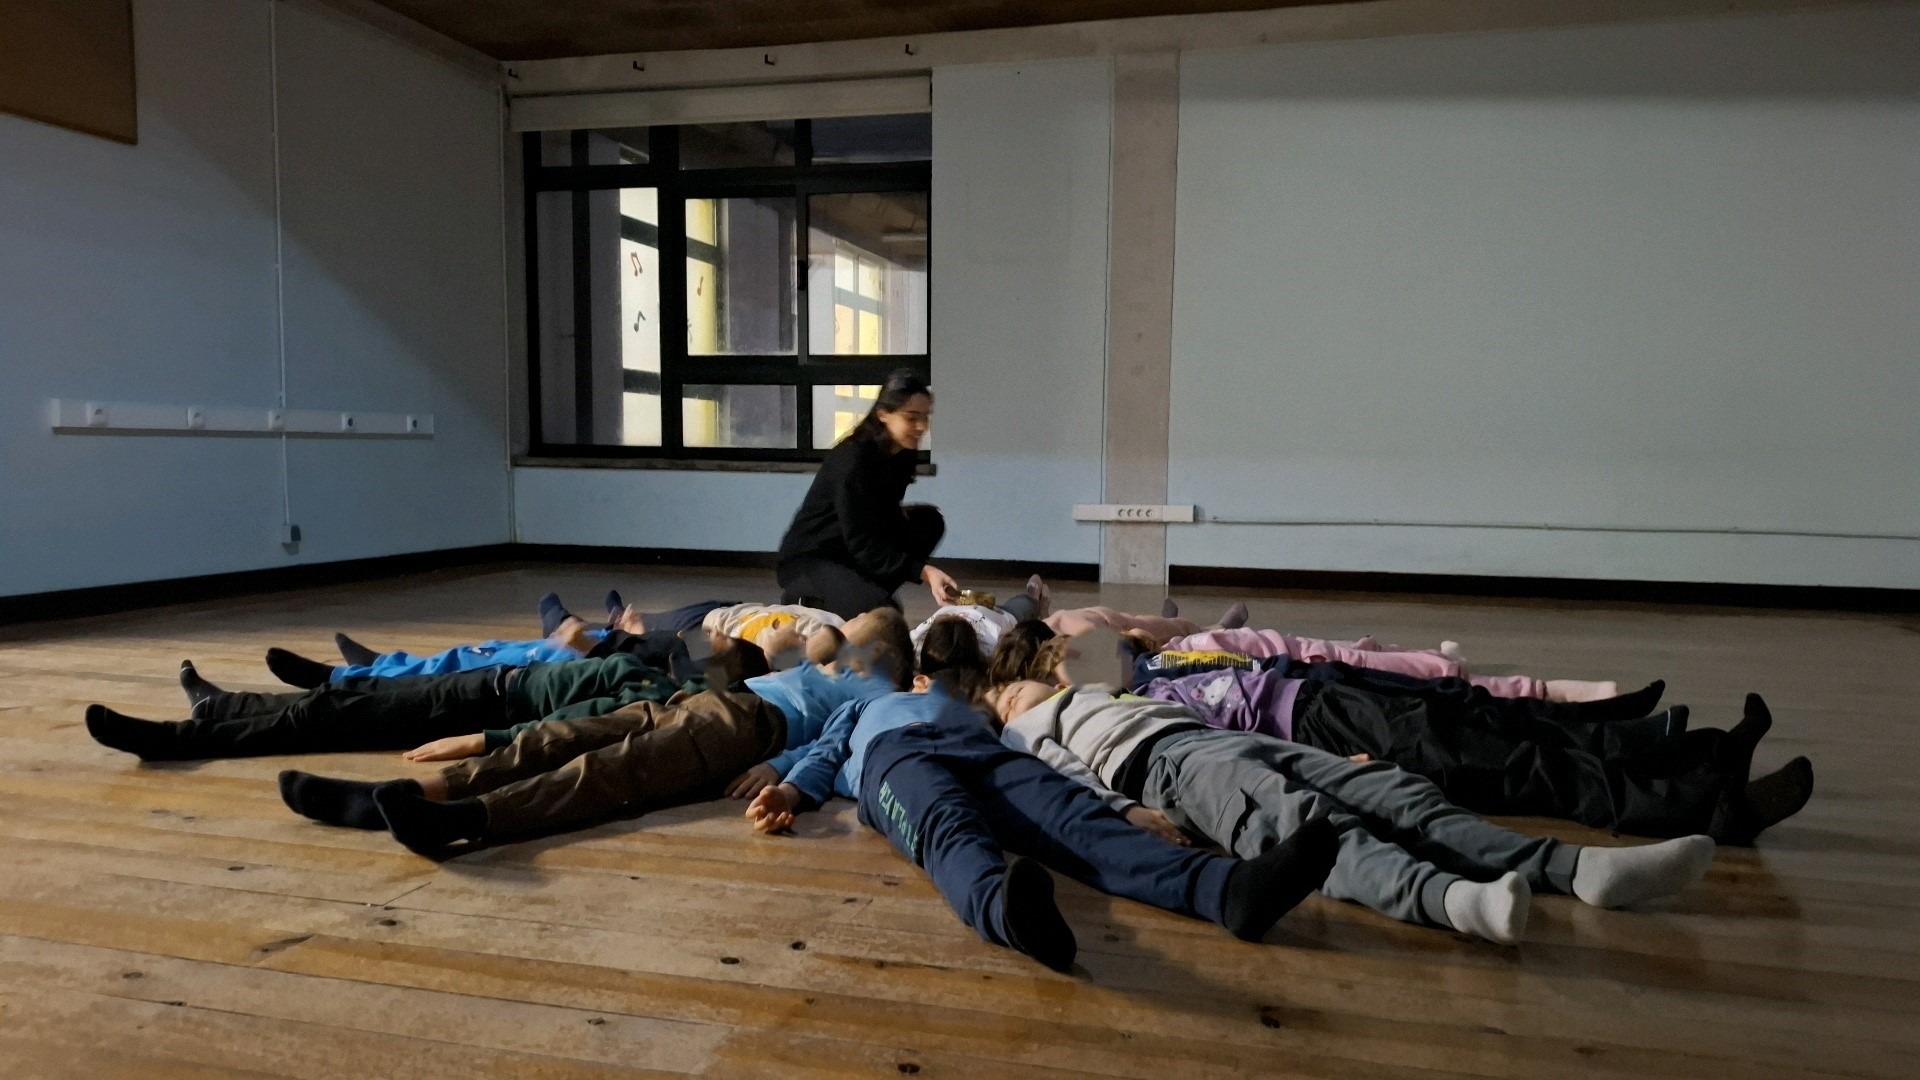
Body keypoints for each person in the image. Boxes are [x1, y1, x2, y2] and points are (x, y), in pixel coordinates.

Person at [988, 681, 1720, 945]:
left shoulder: (1101, 693)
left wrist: (1315, 751)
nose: (1013, 695)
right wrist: (1125, 810)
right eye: (1002, 697)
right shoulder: (1024, 731)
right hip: (1169, 771)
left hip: (1218, 739)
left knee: (1400, 794)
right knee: (1311, 827)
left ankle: (1576, 868)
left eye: (1015, 687)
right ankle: (1451, 901)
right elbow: (1065, 778)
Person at [743, 683, 1340, 972]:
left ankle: (1225, 889)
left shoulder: (974, 713)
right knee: (947, 826)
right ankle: (1008, 915)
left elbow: (1049, 762)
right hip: (894, 758)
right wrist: (788, 791)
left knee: (1070, 815)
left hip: (981, 748)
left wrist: (1121, 806)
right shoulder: (862, 707)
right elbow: (824, 753)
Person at [277, 610, 916, 856]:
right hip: (705, 701)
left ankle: (468, 818)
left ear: (878, 647)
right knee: (562, 738)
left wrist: (784, 771)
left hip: (746, 726)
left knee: (607, 771)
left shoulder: (875, 691)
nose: (843, 627)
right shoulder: (826, 666)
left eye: (857, 623)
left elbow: (837, 741)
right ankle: (414, 793)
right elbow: (781, 648)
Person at [1136, 664, 1812, 844]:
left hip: (1321, 700)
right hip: (1322, 733)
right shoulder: (1111, 718)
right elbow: (1207, 761)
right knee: (1516, 769)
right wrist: (1333, 772)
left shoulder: (1137, 674)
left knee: (1510, 741)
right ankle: (1709, 811)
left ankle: (1709, 759)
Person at [84, 650, 699, 763]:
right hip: (489, 683)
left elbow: (574, 723)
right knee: (346, 698)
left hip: (480, 706)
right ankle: (222, 708)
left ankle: (177, 741)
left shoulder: (657, 695)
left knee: (324, 720)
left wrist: (484, 740)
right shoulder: (662, 669)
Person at [776, 369, 961, 618]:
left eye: (925, 417)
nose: (921, 427)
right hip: (813, 560)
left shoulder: (903, 453)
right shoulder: (853, 460)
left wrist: (895, 511)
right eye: (911, 418)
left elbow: (874, 510)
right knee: (884, 615)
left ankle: (864, 594)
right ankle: (810, 597)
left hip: (851, 553)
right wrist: (925, 572)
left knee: (929, 522)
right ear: (883, 414)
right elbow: (862, 541)